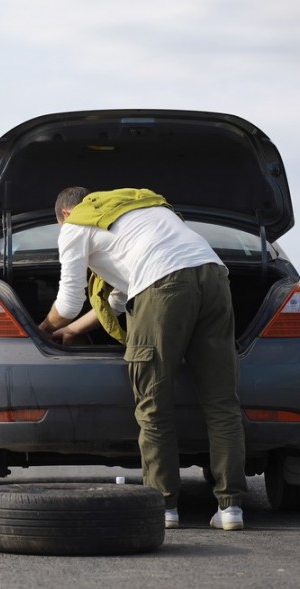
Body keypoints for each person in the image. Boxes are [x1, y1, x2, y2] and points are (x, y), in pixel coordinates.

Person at [38, 187, 247, 531]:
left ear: (63, 215)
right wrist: (73, 331)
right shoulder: (135, 212)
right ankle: (231, 509)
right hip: (213, 275)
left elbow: (69, 301)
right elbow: (119, 297)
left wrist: (43, 328)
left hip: (163, 285)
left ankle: (163, 506)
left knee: (153, 403)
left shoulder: (76, 224)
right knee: (222, 402)